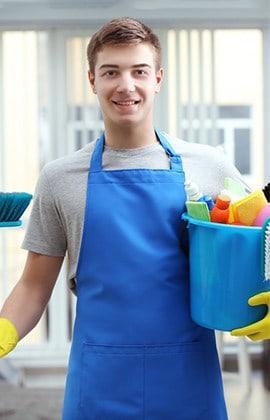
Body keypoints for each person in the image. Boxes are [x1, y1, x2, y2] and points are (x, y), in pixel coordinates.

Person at [0, 17, 269, 420]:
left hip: (189, 379)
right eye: (111, 72)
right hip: (99, 383)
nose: (126, 85)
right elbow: (34, 287)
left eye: (139, 71)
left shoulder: (209, 166)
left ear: (158, 78)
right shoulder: (60, 178)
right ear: (92, 79)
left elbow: (257, 247)